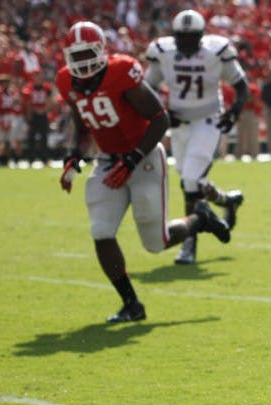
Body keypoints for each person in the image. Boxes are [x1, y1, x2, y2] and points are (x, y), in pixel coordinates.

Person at [56, 21, 232, 323]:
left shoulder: (121, 71)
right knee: (101, 231)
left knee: (155, 242)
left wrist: (133, 159)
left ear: (101, 51)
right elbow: (82, 123)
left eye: (88, 54)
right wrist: (75, 156)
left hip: (145, 157)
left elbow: (160, 119)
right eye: (78, 56)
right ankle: (131, 304)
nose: (84, 63)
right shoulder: (66, 82)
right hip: (109, 161)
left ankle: (200, 219)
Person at [144, 9, 248, 265]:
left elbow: (240, 84)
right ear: (175, 36)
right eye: (182, 37)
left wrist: (234, 111)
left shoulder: (216, 51)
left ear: (201, 36)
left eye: (192, 38)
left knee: (190, 179)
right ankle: (226, 200)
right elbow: (147, 89)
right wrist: (164, 112)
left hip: (208, 120)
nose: (187, 43)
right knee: (191, 181)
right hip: (179, 124)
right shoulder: (163, 52)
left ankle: (189, 243)